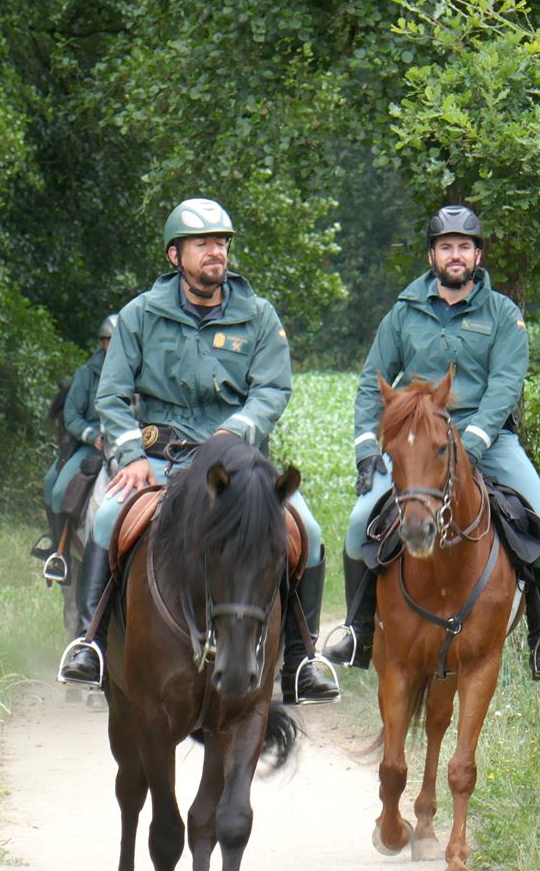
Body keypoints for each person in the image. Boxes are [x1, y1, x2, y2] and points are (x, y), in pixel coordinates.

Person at [58, 197, 337, 705]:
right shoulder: (139, 316)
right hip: (161, 458)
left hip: (236, 461)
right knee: (106, 520)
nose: (216, 252)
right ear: (175, 256)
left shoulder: (258, 315)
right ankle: (89, 644)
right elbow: (112, 395)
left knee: (308, 531)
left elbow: (272, 389)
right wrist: (131, 456)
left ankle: (301, 659)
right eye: (203, 243)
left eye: (222, 243)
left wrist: (236, 431)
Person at [322, 204, 540, 679]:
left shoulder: (503, 314)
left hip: (486, 439)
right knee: (358, 524)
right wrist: (366, 451)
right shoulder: (404, 312)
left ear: (477, 255)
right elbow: (371, 383)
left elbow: (505, 385)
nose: (455, 256)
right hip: (417, 442)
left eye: (464, 247)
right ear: (432, 255)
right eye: (445, 247)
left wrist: (471, 443)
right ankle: (358, 631)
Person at [35, 314, 116, 581]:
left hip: (129, 448)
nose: (110, 346)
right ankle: (59, 554)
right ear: (101, 343)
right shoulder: (86, 374)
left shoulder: (140, 372)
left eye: (115, 341)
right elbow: (71, 415)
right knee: (55, 487)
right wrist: (91, 435)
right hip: (91, 446)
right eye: (107, 341)